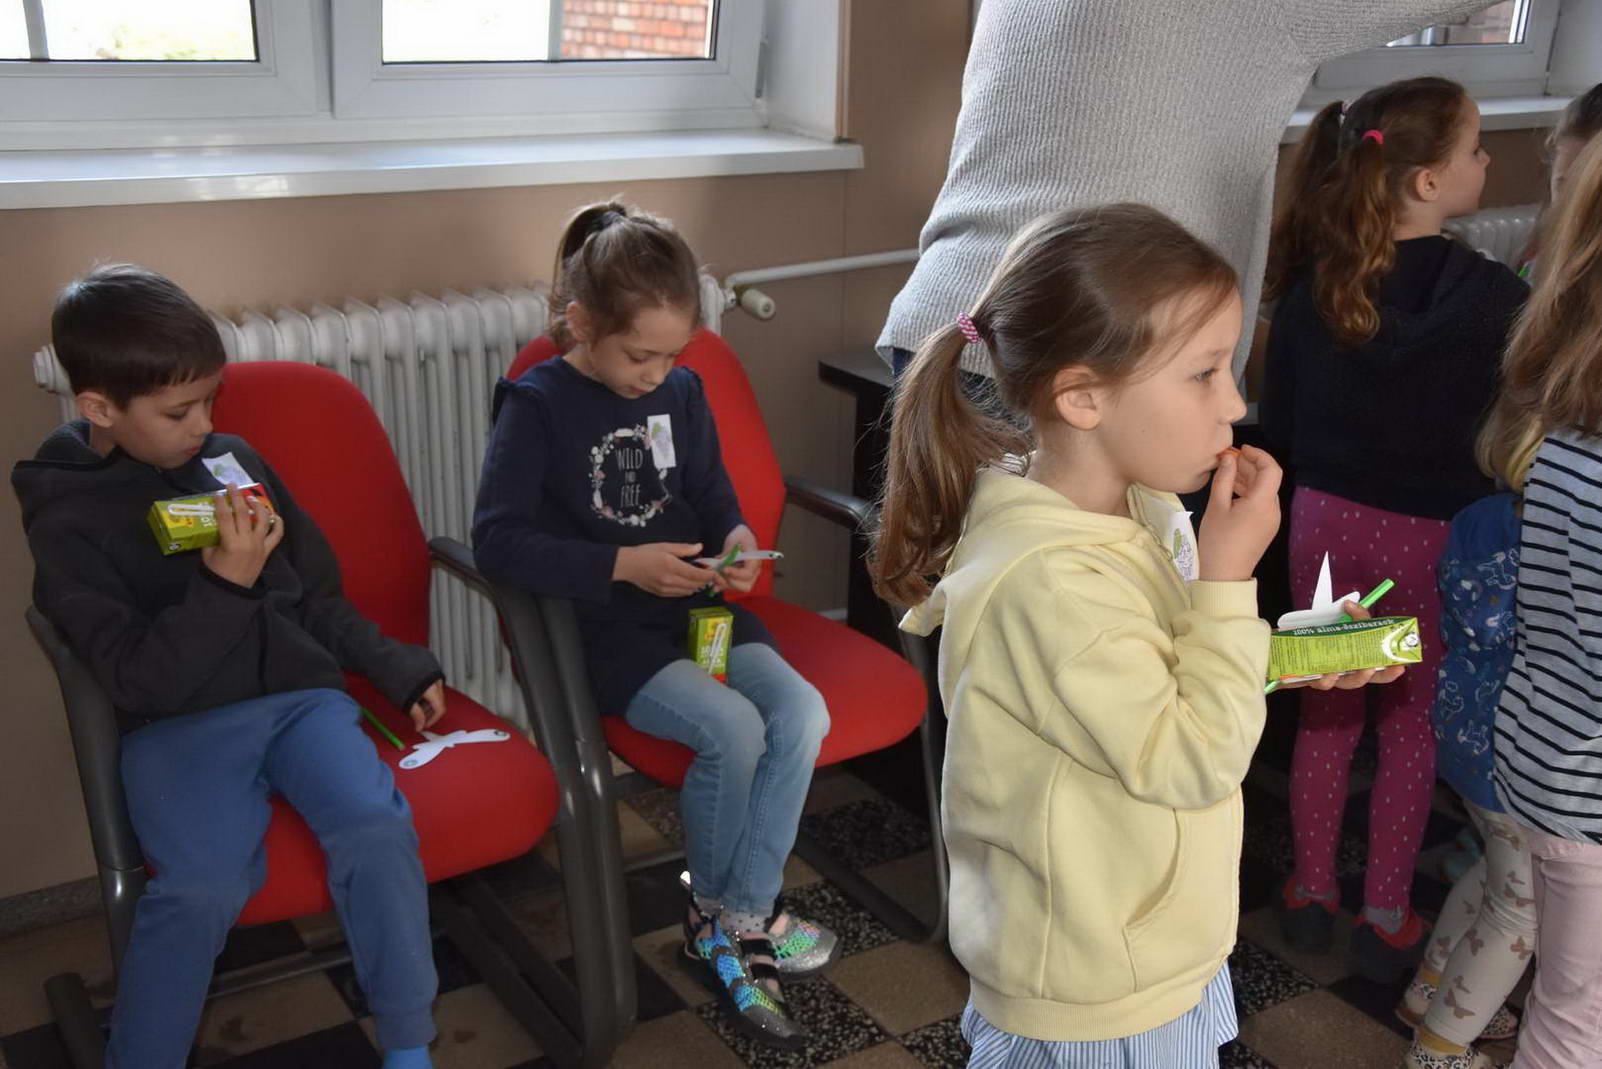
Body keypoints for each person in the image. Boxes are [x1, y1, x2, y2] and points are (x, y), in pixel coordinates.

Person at [872, 202, 1401, 1068]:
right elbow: (1190, 757)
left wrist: (1289, 650)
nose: (1236, 403)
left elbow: (1157, 679)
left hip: (1146, 945)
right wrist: (1226, 582)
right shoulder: (1050, 583)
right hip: (1097, 988)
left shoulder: (1140, 508)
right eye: (1203, 373)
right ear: (1084, 396)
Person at [11, 264, 445, 1069]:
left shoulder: (232, 459)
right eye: (179, 411)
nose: (204, 425)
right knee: (201, 885)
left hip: (299, 700)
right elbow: (136, 678)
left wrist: (397, 667)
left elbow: (314, 595)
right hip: (177, 725)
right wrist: (222, 585)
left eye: (211, 399)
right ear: (99, 408)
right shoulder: (67, 517)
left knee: (375, 824)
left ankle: (408, 1040)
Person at [472, 202, 837, 1051]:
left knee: (801, 712)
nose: (655, 374)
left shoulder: (683, 390)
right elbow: (497, 539)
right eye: (639, 355)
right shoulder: (538, 403)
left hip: (698, 610)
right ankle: (711, 912)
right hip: (608, 630)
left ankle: (744, 913)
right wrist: (620, 564)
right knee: (732, 730)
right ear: (581, 324)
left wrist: (736, 541)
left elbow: (712, 498)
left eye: (671, 355)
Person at [1261, 76, 1528, 981]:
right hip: (1430, 540)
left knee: (1327, 711)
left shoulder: (1316, 285)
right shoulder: (1496, 299)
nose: (1486, 162)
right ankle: (1384, 910)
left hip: (1325, 526)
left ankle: (1309, 891)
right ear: (1427, 180)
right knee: (1410, 727)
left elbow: (1280, 424)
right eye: (1476, 148)